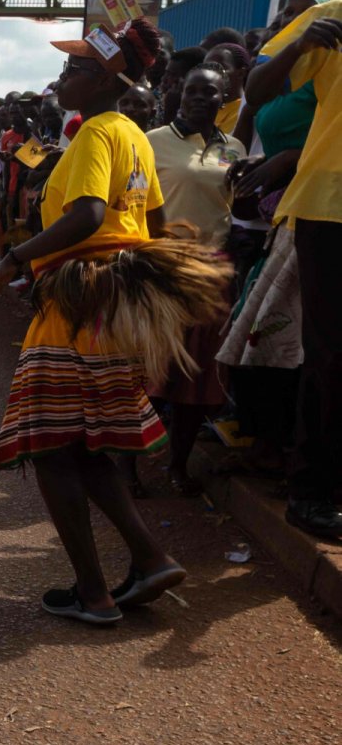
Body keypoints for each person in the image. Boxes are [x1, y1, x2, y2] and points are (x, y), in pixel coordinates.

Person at [0, 19, 229, 624]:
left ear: (105, 76)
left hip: (77, 309)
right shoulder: (131, 132)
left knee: (54, 447)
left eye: (73, 69)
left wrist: (11, 260)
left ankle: (93, 591)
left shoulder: (92, 136)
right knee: (82, 447)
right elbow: (155, 223)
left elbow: (86, 215)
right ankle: (149, 559)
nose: (60, 78)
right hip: (109, 307)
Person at [244, 0, 342, 537]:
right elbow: (256, 94)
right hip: (332, 207)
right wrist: (300, 46)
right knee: (332, 355)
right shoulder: (333, 16)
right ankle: (311, 491)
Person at [144, 62, 243, 494]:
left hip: (211, 272)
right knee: (151, 374)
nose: (201, 98)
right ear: (178, 94)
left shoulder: (235, 149)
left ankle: (177, 467)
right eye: (193, 91)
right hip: (161, 268)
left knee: (196, 379)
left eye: (211, 93)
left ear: (223, 99)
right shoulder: (152, 142)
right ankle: (128, 467)